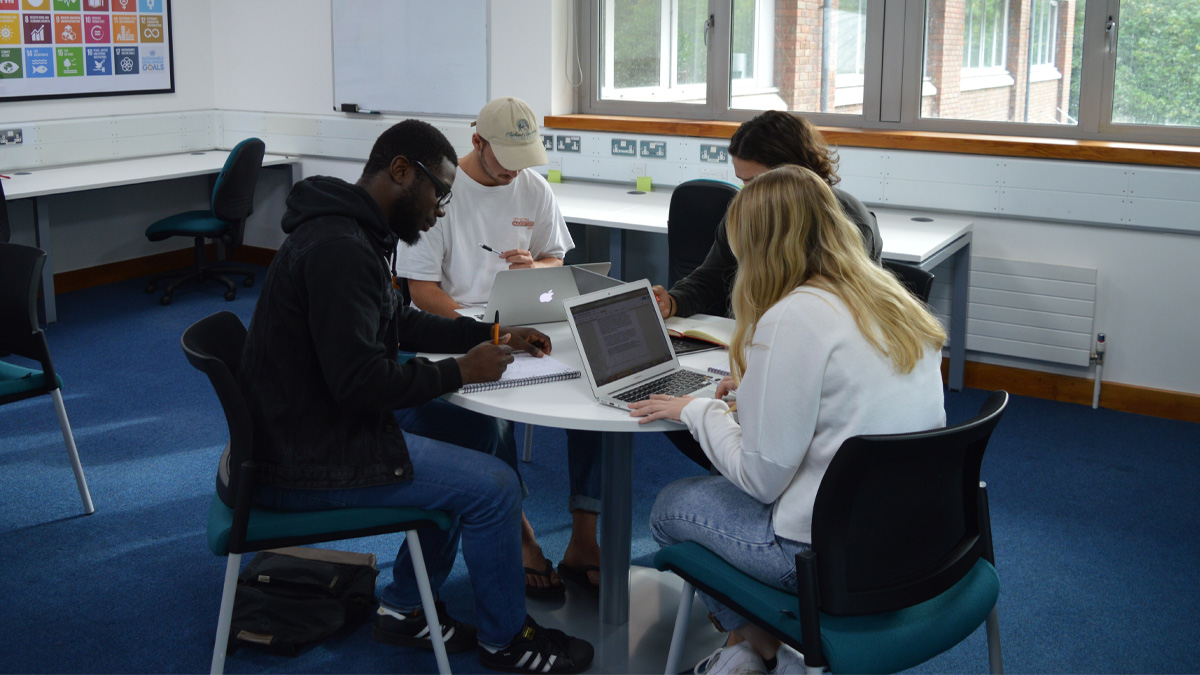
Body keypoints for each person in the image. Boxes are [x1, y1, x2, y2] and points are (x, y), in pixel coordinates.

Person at [238, 119, 593, 673]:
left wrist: (489, 335)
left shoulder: (350, 231)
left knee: (473, 431)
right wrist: (460, 372)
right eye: (440, 193)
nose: (442, 209)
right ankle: (507, 642)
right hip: (308, 462)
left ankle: (405, 607)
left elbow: (398, 320)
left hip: (306, 431)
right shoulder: (340, 249)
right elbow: (358, 384)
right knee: (493, 486)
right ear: (401, 171)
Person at [630, 165, 946, 674]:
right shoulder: (890, 299)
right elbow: (850, 394)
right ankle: (758, 647)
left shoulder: (794, 316)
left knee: (669, 509)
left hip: (820, 555)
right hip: (915, 537)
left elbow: (761, 479)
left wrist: (699, 410)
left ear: (758, 245)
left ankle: (756, 648)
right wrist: (761, 385)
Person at [396, 97, 604, 598]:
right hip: (454, 330)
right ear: (477, 144)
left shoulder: (532, 187)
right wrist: (482, 330)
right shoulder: (440, 196)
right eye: (507, 159)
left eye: (525, 158)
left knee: (601, 382)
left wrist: (534, 271)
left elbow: (556, 260)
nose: (516, 172)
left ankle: (584, 538)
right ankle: (524, 536)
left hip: (527, 320)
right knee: (489, 415)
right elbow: (421, 293)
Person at [651, 110, 884, 470]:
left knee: (701, 427)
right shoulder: (749, 212)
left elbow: (832, 326)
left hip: (817, 374)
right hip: (773, 360)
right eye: (742, 182)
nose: (747, 194)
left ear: (792, 172)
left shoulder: (844, 223)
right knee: (680, 402)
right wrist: (676, 300)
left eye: (756, 181)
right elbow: (712, 276)